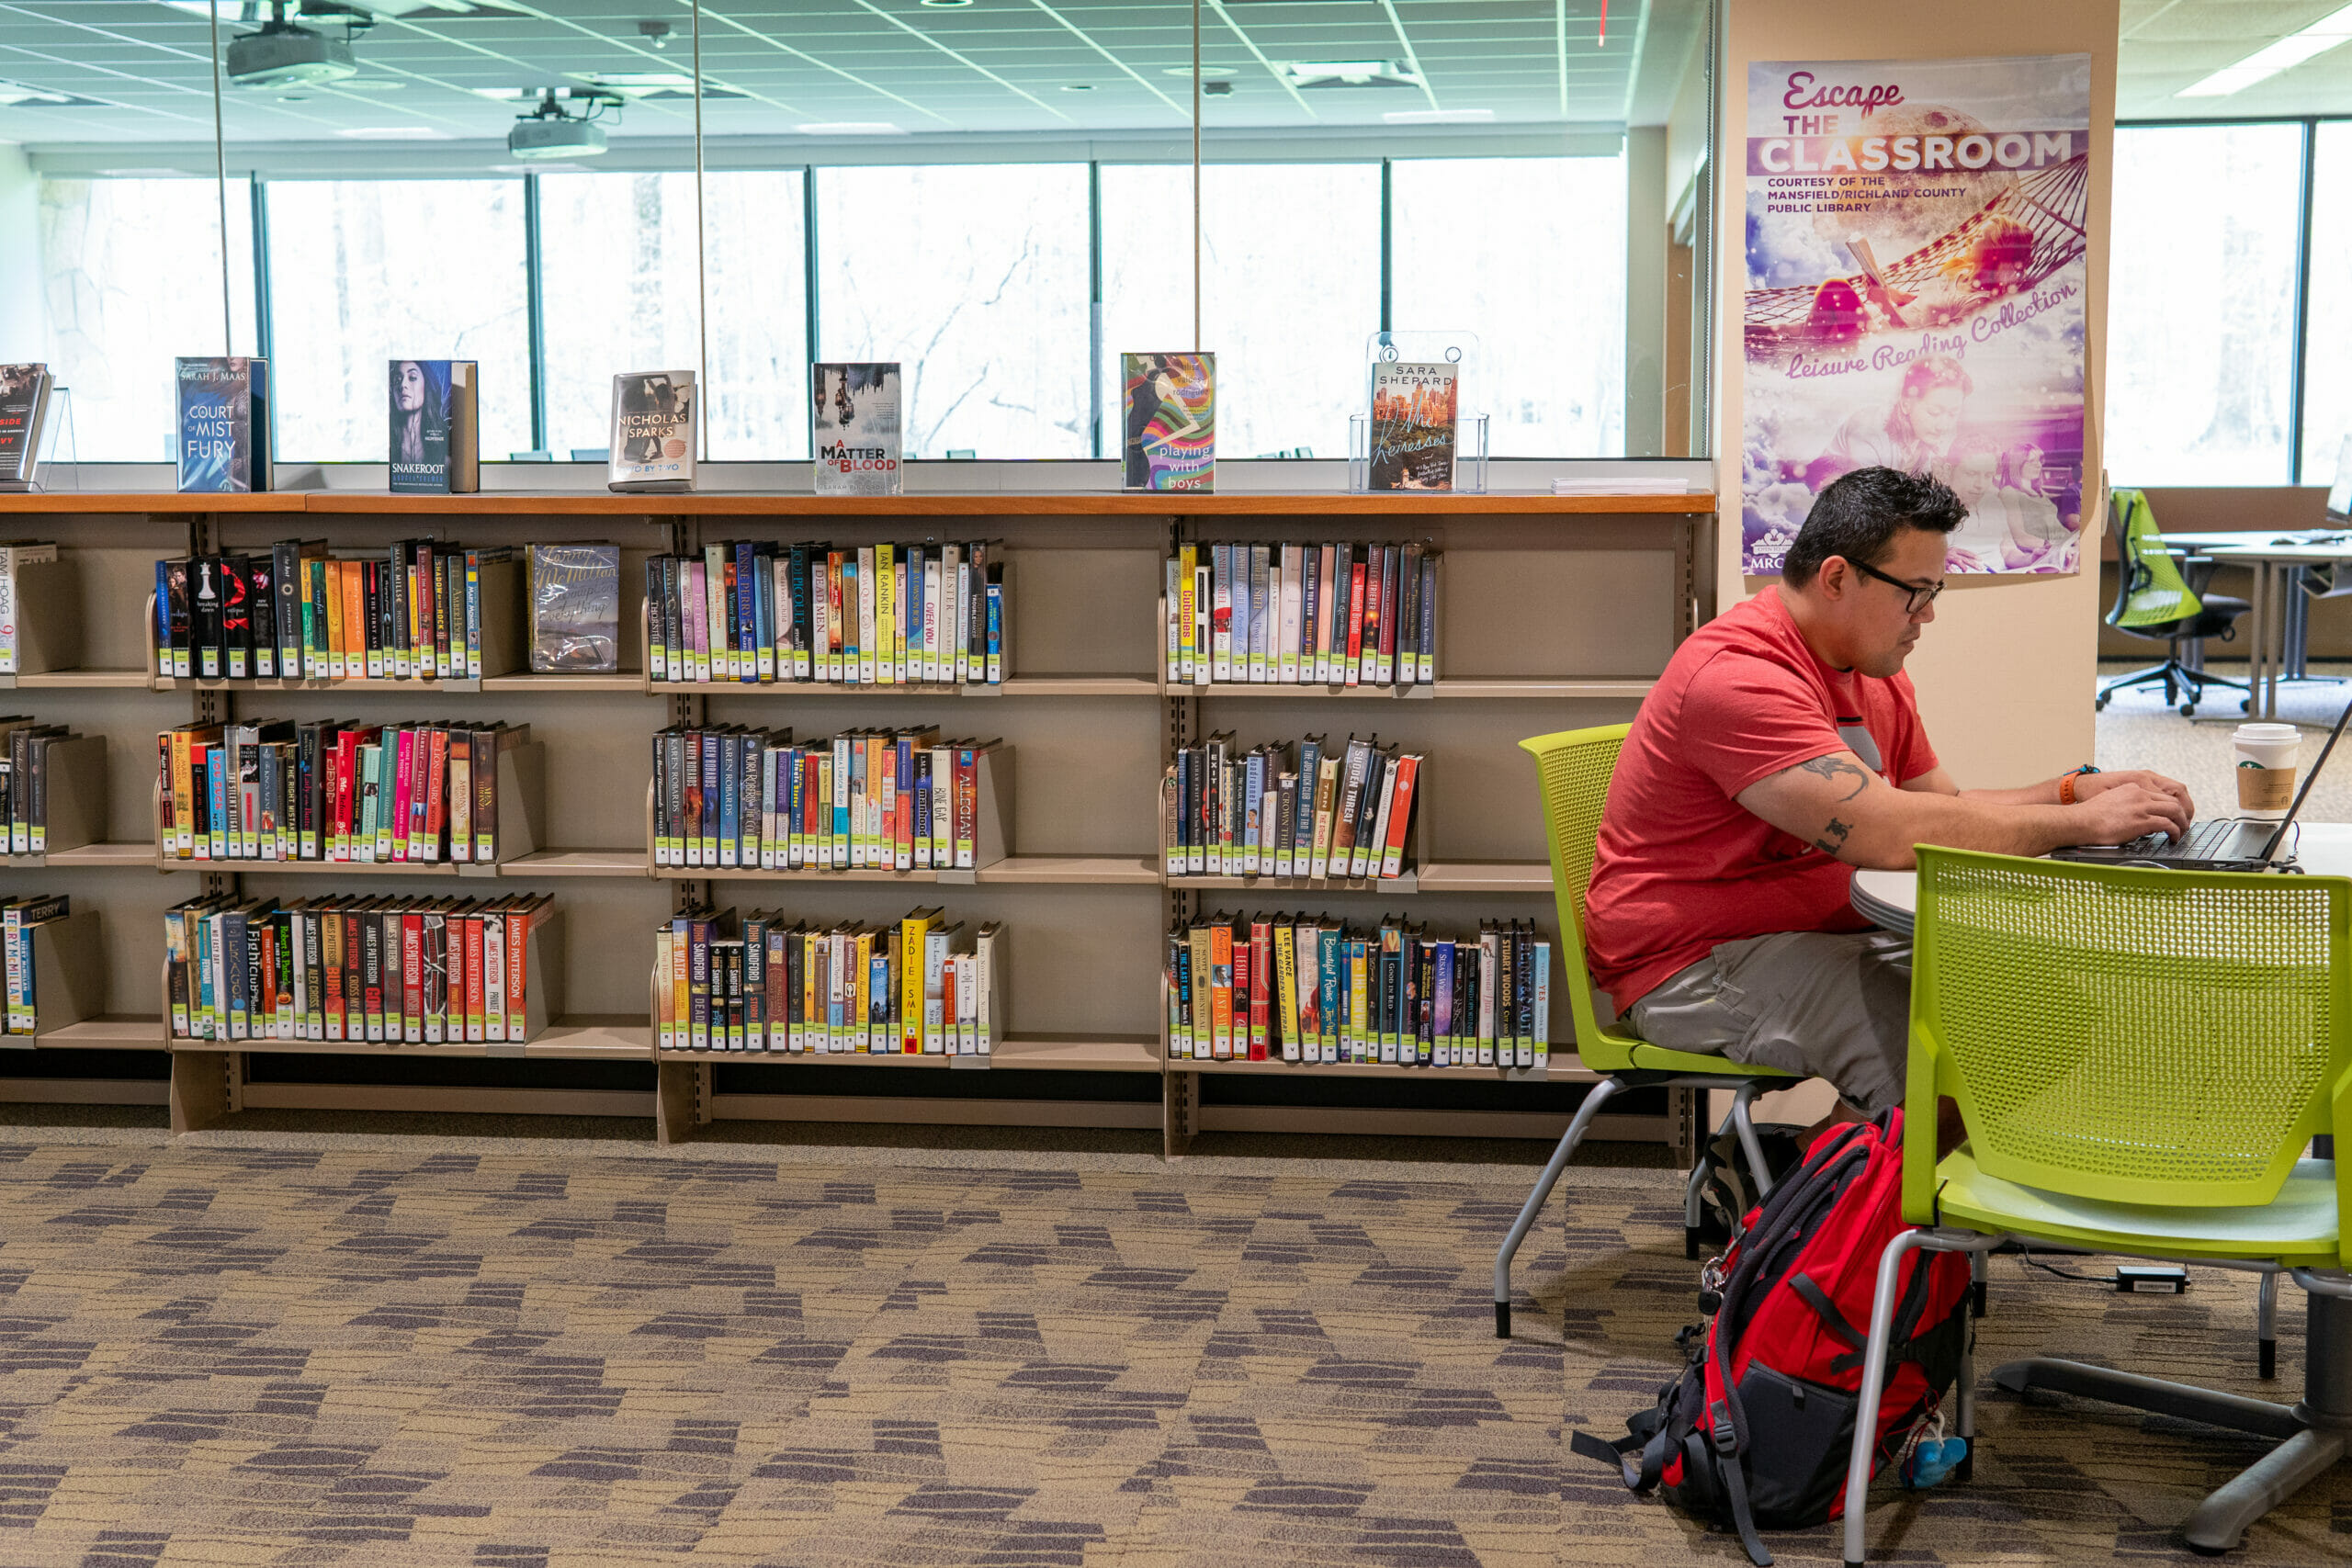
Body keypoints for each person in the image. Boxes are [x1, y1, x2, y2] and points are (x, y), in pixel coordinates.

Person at [1582, 466, 2192, 1147]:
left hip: (1801, 936)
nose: (1928, 614)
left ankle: (1799, 1180)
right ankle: (1812, 1218)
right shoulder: (1737, 678)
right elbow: (1882, 831)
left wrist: (2073, 790)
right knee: (1956, 1055)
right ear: (1838, 577)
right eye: (1916, 593)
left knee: (2038, 1010)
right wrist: (2078, 825)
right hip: (1691, 964)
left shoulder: (1868, 669)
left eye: (1937, 591)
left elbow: (1942, 808)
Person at [1804, 354, 1971, 491]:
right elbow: (1874, 502)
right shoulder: (1869, 428)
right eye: (1934, 412)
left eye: (1953, 414)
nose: (1943, 426)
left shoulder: (1923, 441)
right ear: (1906, 404)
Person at [389, 360, 447, 469]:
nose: (402, 385)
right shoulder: (387, 454)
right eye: (397, 380)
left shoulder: (446, 462)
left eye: (412, 378)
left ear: (426, 385)